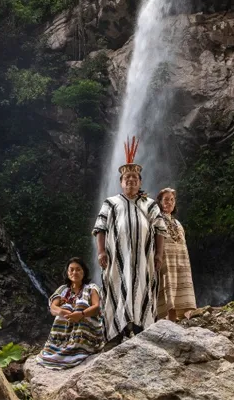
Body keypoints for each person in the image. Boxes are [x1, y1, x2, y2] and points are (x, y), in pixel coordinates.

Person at [93, 136, 167, 344]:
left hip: (144, 257)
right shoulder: (110, 203)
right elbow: (100, 228)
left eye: (135, 177)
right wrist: (101, 251)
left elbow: (160, 230)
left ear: (140, 182)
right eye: (127, 178)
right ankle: (118, 330)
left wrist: (159, 255)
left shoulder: (150, 204)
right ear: (121, 182)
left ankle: (142, 328)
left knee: (143, 287)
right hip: (117, 258)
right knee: (117, 287)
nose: (131, 180)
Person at [35, 257, 104, 369]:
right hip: (64, 332)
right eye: (71, 270)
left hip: (87, 331)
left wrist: (81, 314)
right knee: (64, 308)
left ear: (84, 272)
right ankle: (60, 346)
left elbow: (96, 307)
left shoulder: (92, 288)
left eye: (78, 269)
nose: (74, 272)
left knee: (81, 305)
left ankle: (81, 346)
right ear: (67, 273)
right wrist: (64, 312)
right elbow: (53, 308)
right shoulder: (63, 290)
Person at [155, 188, 197, 322]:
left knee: (177, 293)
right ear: (160, 202)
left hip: (180, 263)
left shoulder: (178, 223)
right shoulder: (156, 220)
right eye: (166, 199)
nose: (169, 202)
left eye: (172, 200)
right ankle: (166, 323)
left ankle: (174, 323)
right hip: (165, 262)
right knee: (167, 292)